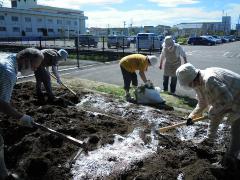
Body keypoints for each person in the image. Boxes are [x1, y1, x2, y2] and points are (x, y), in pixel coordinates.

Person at [176, 63, 240, 170]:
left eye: (189, 84)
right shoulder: (197, 82)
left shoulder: (210, 80)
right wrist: (192, 116)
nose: (190, 86)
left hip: (237, 99)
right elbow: (202, 102)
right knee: (215, 114)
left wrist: (212, 112)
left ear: (193, 79)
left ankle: (230, 160)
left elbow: (226, 100)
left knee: (236, 130)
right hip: (229, 98)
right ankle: (209, 141)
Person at [0, 48, 44, 179]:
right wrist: (22, 117)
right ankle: (3, 176)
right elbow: (2, 104)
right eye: (34, 67)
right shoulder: (8, 73)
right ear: (25, 60)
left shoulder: (11, 57)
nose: (35, 70)